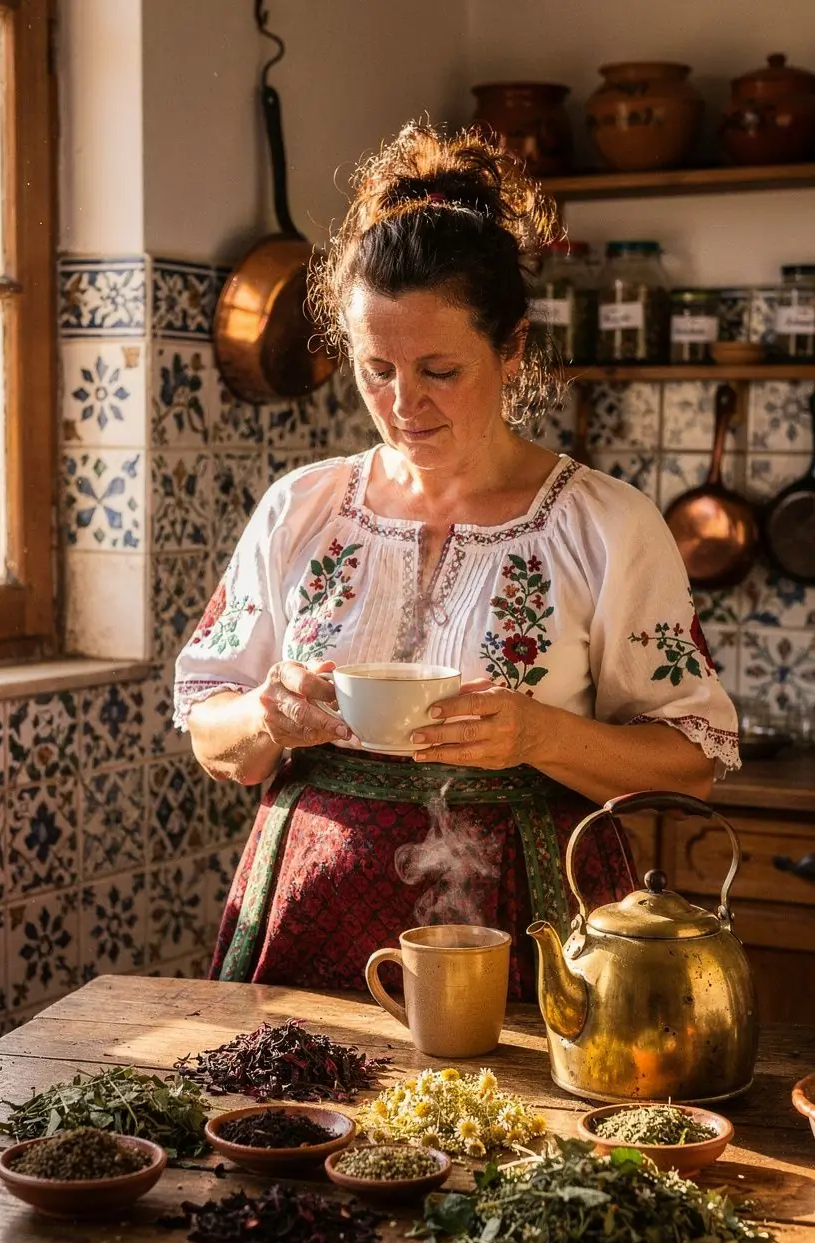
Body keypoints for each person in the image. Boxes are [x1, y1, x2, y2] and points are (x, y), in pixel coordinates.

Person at [174, 123, 739, 999]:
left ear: (512, 348)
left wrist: (541, 734)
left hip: (525, 922)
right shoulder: (302, 510)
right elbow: (211, 732)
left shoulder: (606, 526)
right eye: (375, 370)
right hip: (307, 909)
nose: (405, 405)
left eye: (440, 369)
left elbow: (694, 755)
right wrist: (265, 716)